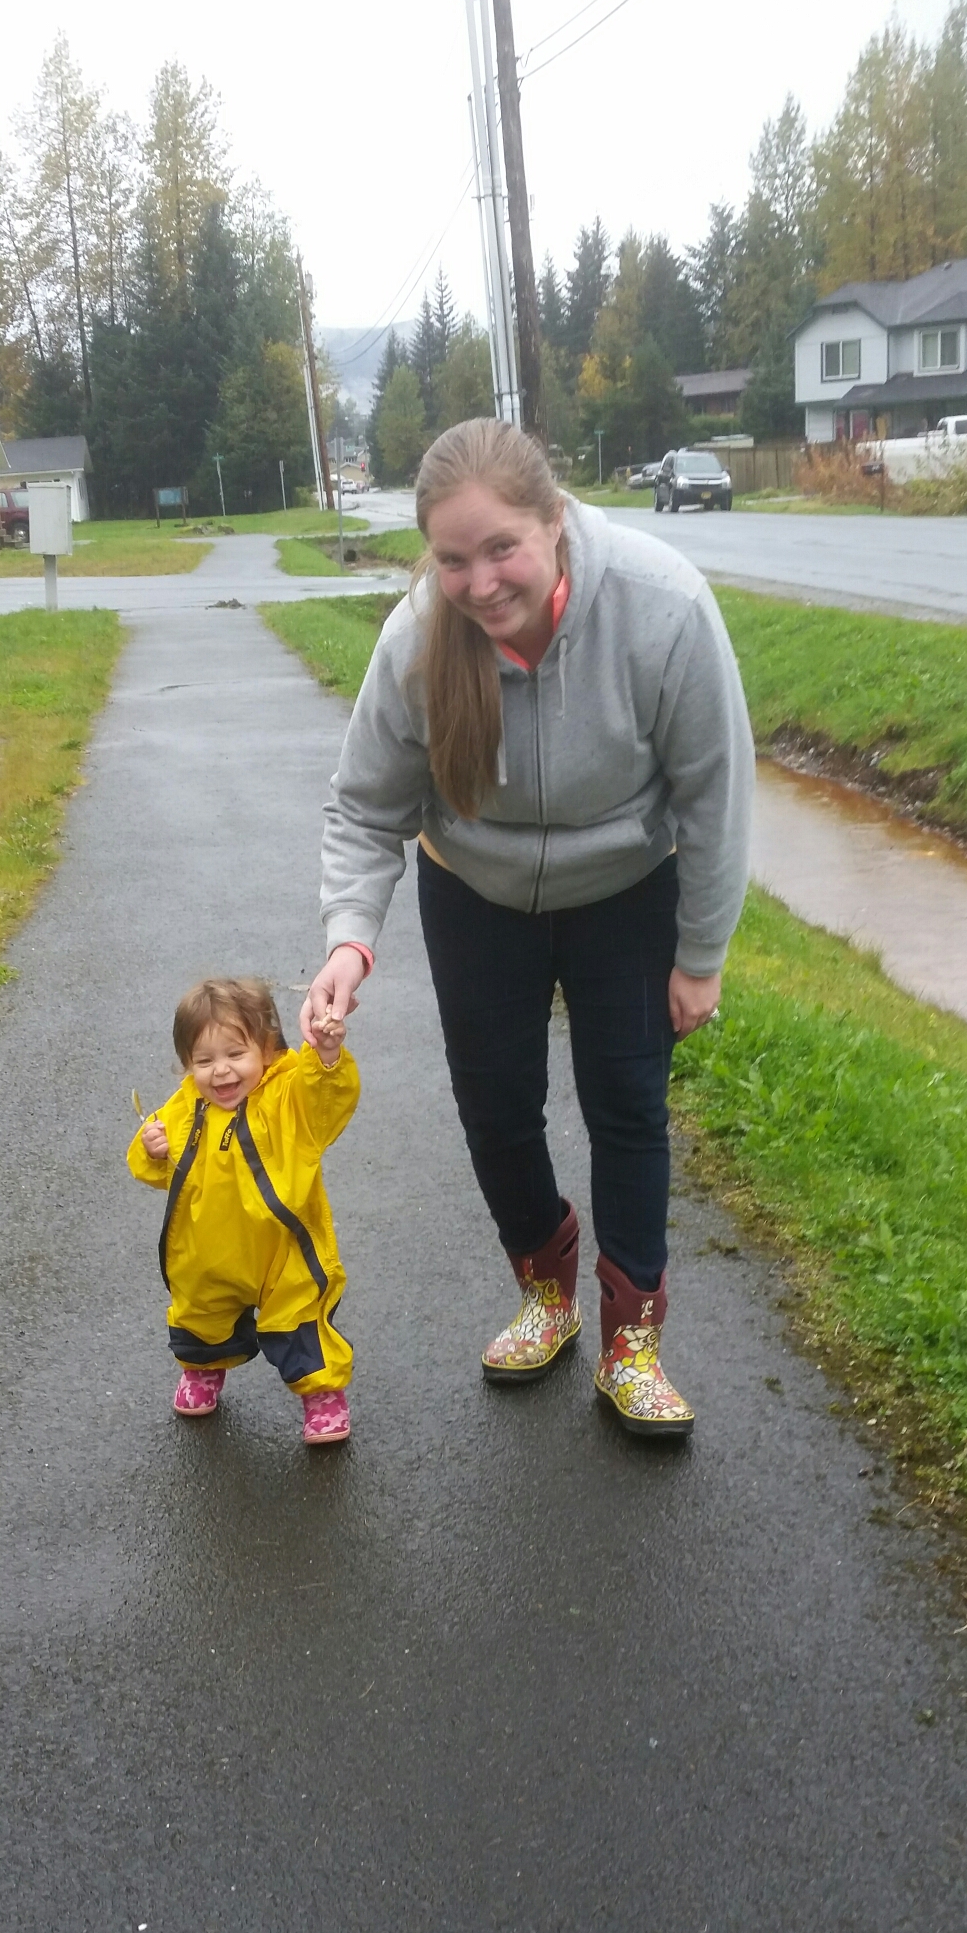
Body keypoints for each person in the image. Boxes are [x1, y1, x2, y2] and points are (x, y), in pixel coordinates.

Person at [301, 417, 752, 1438]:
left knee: (627, 1105)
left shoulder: (663, 606)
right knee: (497, 1109)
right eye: (453, 560)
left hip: (626, 890)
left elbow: (716, 798)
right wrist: (349, 941)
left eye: (501, 547)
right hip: (476, 894)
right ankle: (546, 1292)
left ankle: (632, 1343)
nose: (479, 582)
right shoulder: (418, 641)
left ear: (554, 521)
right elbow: (365, 808)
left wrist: (700, 955)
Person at [129, 976, 357, 1445]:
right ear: (187, 1064)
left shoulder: (288, 1095)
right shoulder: (187, 1105)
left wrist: (328, 1058)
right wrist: (150, 1150)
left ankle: (322, 1395)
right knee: (200, 1316)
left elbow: (326, 1100)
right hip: (208, 1249)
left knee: (299, 1323)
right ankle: (202, 1369)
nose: (221, 1072)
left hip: (283, 1250)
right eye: (204, 1061)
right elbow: (156, 1168)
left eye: (236, 1054)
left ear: (268, 1049)